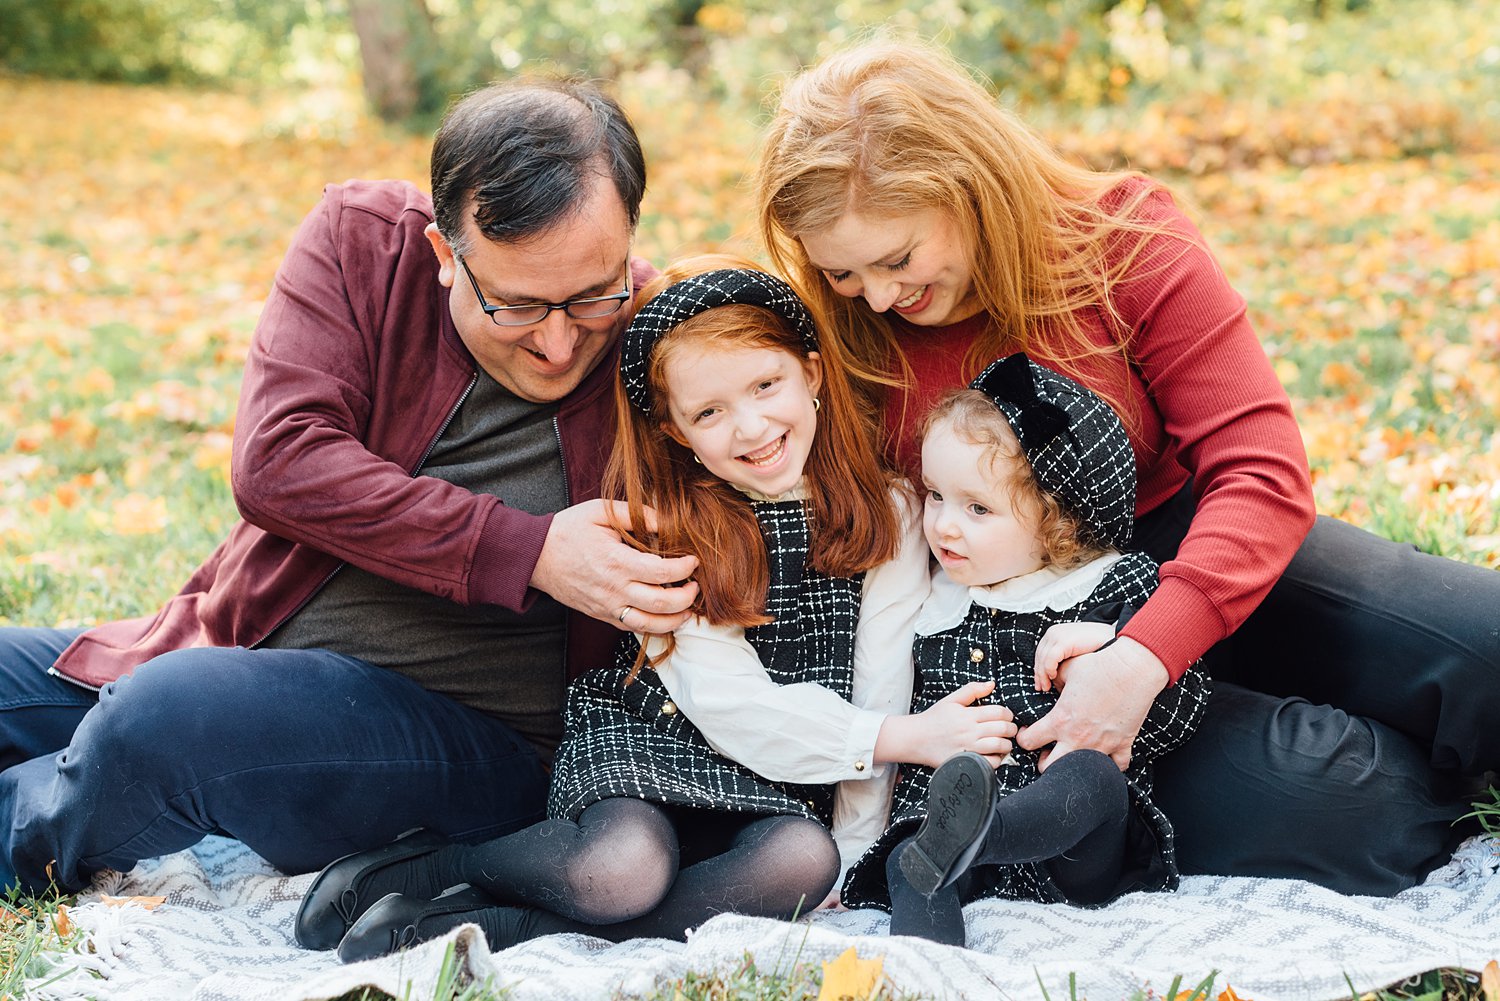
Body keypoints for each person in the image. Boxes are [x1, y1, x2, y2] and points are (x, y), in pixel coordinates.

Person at [753, 40, 1497, 895]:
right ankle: (1377, 754)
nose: (878, 297)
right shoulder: (835, 337)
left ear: (972, 188)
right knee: (1372, 809)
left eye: (897, 259)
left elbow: (1260, 469)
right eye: (843, 271)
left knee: (1485, 646)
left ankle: (1348, 701)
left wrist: (1147, 654)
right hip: (1021, 633)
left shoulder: (1118, 235)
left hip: (1195, 546)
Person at [0, 77, 702, 899]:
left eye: (591, 295)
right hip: (234, 640)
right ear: (446, 256)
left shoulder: (669, 341)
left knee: (163, 719)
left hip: (472, 750)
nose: (556, 341)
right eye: (516, 305)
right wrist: (531, 549)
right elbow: (278, 460)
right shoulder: (364, 244)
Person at [296, 258, 1016, 962]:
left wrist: (856, 853)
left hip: (782, 776)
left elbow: (879, 682)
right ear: (674, 430)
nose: (751, 427)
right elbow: (731, 705)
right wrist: (904, 736)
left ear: (814, 373)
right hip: (658, 740)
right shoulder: (670, 528)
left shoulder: (886, 511)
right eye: (709, 411)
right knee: (620, 868)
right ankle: (430, 868)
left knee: (804, 860)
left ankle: (508, 926)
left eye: (767, 384)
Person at [838, 354, 1209, 947]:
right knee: (910, 862)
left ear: (1057, 522)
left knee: (1091, 778)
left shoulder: (1110, 590)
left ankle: (976, 836)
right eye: (935, 495)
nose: (944, 527)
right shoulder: (926, 598)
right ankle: (932, 966)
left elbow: (1184, 712)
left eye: (978, 508)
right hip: (943, 825)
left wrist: (1113, 649)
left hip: (1074, 852)